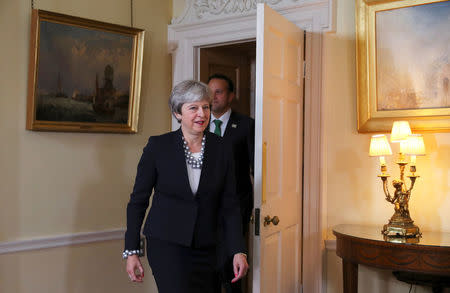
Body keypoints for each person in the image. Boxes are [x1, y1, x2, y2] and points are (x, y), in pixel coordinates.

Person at [124, 80, 249, 293]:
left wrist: (238, 250)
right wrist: (131, 250)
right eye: (193, 108)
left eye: (206, 107)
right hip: (167, 245)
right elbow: (138, 201)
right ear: (177, 113)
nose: (202, 113)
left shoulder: (223, 148)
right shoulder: (158, 147)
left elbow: (231, 205)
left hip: (210, 247)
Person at [208, 74, 255, 293]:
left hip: (234, 211)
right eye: (210, 91)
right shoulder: (199, 122)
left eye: (219, 91)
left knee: (233, 272)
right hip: (205, 212)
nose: (213, 96)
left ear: (231, 96)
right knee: (208, 273)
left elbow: (256, 167)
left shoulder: (246, 125)